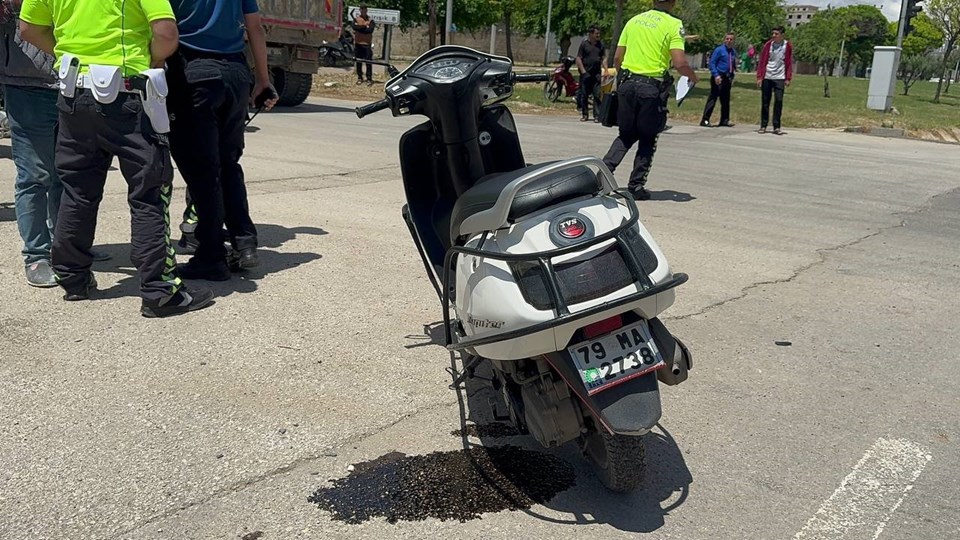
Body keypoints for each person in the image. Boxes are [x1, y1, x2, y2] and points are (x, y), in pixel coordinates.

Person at [19, 0, 214, 317]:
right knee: (149, 190)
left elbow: (28, 29)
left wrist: (65, 55)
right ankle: (160, 290)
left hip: (74, 96)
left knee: (77, 190)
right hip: (127, 94)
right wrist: (148, 59)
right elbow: (166, 34)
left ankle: (73, 279)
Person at [0, 0, 110, 288]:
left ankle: (67, 246)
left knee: (68, 172)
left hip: (74, 81)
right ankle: (36, 254)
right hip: (26, 82)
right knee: (35, 175)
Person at [166, 0, 278, 281]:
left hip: (192, 71)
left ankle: (211, 256)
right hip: (236, 75)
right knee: (228, 164)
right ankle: (245, 242)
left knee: (203, 172)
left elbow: (161, 29)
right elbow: (255, 27)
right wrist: (262, 79)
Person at [601, 0, 698, 201]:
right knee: (648, 136)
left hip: (627, 84)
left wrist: (623, 78)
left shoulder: (634, 20)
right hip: (651, 88)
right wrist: (692, 76)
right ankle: (636, 186)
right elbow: (679, 62)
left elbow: (617, 58)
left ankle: (601, 177)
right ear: (673, 3)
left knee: (626, 134)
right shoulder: (673, 24)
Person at [756, 26, 792, 135]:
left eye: (776, 34)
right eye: (773, 33)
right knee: (765, 101)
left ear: (782, 35)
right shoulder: (768, 45)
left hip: (780, 77)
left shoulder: (787, 46)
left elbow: (789, 62)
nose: (773, 36)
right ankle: (763, 125)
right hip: (768, 76)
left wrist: (788, 77)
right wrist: (759, 77)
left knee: (779, 101)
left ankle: (776, 126)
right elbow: (762, 61)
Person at [700, 32, 736, 128]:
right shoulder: (719, 50)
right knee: (713, 98)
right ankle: (705, 119)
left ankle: (724, 120)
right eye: (727, 39)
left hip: (727, 77)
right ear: (724, 40)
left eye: (731, 39)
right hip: (718, 77)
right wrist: (716, 75)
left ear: (733, 41)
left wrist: (732, 77)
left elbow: (733, 65)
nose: (729, 41)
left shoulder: (733, 52)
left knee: (725, 100)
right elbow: (712, 63)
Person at [575, 25, 605, 122]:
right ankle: (585, 115)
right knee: (584, 95)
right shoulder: (584, 44)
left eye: (599, 33)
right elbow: (578, 58)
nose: (598, 35)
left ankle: (597, 116)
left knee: (597, 94)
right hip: (586, 74)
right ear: (591, 34)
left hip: (596, 74)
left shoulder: (600, 45)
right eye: (596, 33)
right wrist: (583, 71)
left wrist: (606, 70)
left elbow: (603, 58)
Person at [353, 4, 374, 85]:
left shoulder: (370, 20)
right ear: (360, 10)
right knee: (358, 62)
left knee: (368, 62)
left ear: (367, 10)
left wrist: (360, 28)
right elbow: (355, 28)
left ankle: (369, 79)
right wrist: (365, 26)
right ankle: (360, 78)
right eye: (361, 9)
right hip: (358, 44)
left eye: (364, 9)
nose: (363, 10)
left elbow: (370, 30)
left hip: (367, 44)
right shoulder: (356, 19)